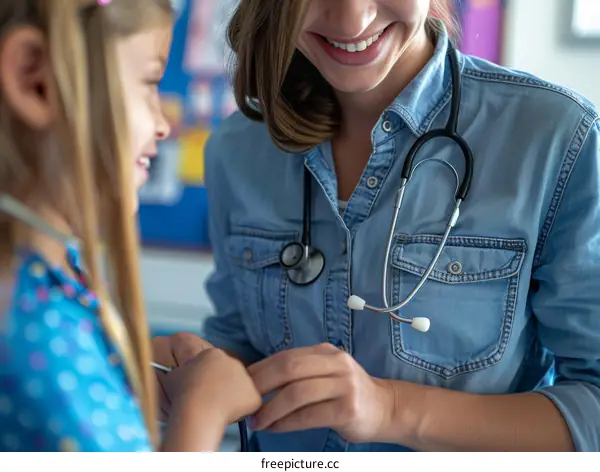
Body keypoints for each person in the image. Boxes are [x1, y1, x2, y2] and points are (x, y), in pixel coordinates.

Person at [154, 0, 600, 452]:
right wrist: (193, 372)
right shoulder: (238, 149)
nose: (353, 21)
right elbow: (240, 348)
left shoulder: (558, 140)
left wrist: (390, 409)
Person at [0, 0, 260, 452]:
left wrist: (126, 369)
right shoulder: (30, 323)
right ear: (34, 80)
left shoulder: (55, 277)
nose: (163, 124)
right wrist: (200, 413)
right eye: (148, 84)